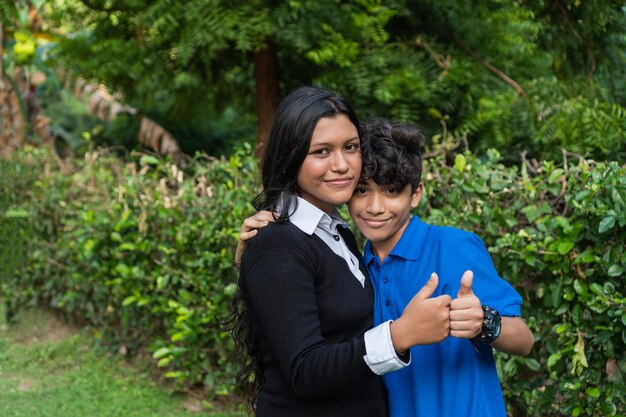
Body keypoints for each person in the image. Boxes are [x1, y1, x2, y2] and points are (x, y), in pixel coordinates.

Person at [237, 116, 534, 417]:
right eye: (362, 191)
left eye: (392, 191)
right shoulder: (353, 263)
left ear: (415, 193)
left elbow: (524, 340)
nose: (375, 207)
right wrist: (263, 240)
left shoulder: (453, 247)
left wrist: (484, 323)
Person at [229, 87, 454, 417]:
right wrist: (400, 335)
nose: (342, 165)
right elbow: (306, 371)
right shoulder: (277, 244)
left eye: (351, 147)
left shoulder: (336, 233)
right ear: (291, 156)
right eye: (321, 152)